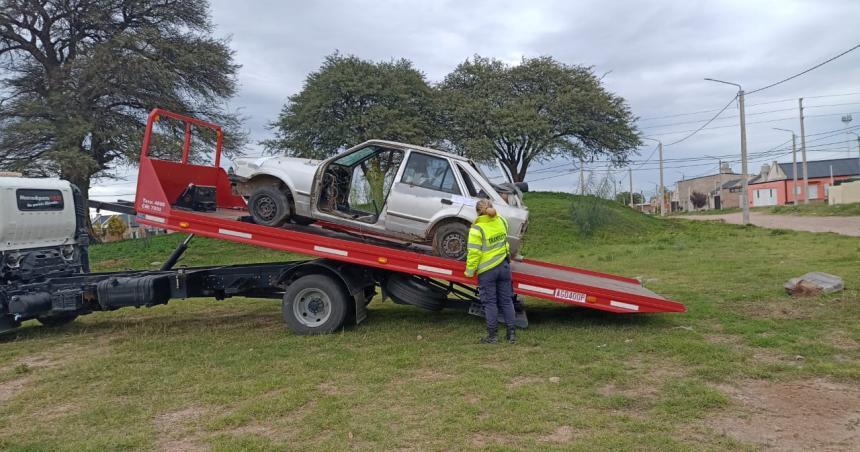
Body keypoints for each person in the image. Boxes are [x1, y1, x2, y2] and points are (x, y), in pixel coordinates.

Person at [464, 199, 516, 344]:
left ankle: (493, 337)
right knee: (506, 300)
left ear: (478, 212)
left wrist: (469, 271)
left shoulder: (477, 228)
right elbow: (505, 242)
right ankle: (511, 334)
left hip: (487, 271)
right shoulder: (502, 221)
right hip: (504, 267)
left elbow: (474, 253)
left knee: (490, 303)